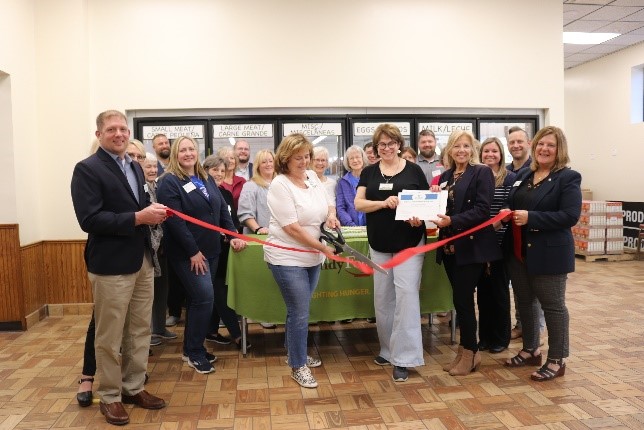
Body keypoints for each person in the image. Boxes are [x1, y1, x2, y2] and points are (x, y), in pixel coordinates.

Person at [71, 110, 167, 425]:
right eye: (111, 129)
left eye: (123, 129)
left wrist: (151, 212)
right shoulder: (87, 169)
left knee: (140, 329)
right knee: (109, 335)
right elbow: (90, 219)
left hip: (141, 260)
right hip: (111, 264)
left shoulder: (135, 168)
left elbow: (137, 207)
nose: (119, 134)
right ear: (99, 134)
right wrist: (139, 217)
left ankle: (133, 387)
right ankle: (110, 396)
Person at [157, 136, 245, 374]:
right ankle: (195, 352)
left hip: (212, 250)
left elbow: (220, 210)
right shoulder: (169, 182)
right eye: (183, 149)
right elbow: (175, 221)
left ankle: (191, 348)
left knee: (199, 301)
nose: (188, 153)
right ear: (176, 153)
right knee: (204, 297)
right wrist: (193, 252)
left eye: (191, 149)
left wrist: (232, 234)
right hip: (189, 254)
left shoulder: (204, 178)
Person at [502, 126, 581, 382]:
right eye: (540, 144)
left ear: (559, 150)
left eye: (551, 145)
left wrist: (532, 217)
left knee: (553, 307)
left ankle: (557, 359)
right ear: (533, 147)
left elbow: (570, 216)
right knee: (525, 302)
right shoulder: (526, 174)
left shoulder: (567, 178)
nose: (544, 149)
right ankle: (531, 349)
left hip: (549, 254)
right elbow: (513, 203)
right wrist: (505, 213)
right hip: (519, 252)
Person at [354, 124, 428, 383]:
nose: (386, 148)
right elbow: (358, 203)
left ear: (399, 144)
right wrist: (383, 203)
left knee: (406, 297)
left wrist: (420, 219)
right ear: (376, 148)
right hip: (379, 245)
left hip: (409, 244)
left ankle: (404, 359)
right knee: (383, 300)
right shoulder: (369, 172)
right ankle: (387, 350)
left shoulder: (415, 170)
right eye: (381, 145)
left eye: (391, 143)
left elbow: (425, 204)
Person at [264, 133, 338, 389]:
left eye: (307, 156)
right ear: (285, 159)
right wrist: (323, 248)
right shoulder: (279, 185)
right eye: (299, 158)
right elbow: (292, 228)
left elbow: (329, 203)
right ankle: (298, 365)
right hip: (287, 257)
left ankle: (294, 352)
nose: (305, 162)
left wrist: (331, 216)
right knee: (299, 311)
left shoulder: (313, 178)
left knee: (298, 310)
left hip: (312, 256)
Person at [431, 130, 500, 376]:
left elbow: (483, 211)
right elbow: (436, 208)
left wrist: (451, 220)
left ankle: (470, 352)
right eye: (457, 146)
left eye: (466, 146)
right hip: (450, 248)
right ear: (449, 150)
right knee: (460, 302)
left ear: (473, 150)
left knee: (464, 301)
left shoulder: (481, 172)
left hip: (472, 247)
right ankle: (466, 351)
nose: (461, 150)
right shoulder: (445, 176)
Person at [202, 155, 250, 347]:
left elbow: (233, 221)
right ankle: (237, 334)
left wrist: (233, 235)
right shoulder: (201, 192)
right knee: (218, 290)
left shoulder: (226, 194)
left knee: (218, 289)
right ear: (205, 170)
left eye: (222, 170)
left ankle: (211, 331)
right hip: (210, 249)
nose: (219, 174)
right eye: (215, 170)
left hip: (227, 249)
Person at [476, 138, 516, 354]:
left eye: (494, 151)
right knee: (482, 293)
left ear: (501, 154)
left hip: (499, 242)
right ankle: (485, 337)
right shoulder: (476, 176)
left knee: (499, 292)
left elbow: (508, 207)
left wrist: (491, 228)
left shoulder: (509, 178)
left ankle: (501, 337)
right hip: (479, 244)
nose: (490, 154)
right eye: (486, 151)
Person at [505, 126, 546, 340]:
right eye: (512, 142)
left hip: (535, 239)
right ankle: (523, 325)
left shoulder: (537, 169)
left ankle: (533, 329)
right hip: (514, 238)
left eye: (520, 141)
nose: (516, 145)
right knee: (521, 288)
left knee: (535, 290)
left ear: (529, 143)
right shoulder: (509, 170)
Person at [142, 152, 178, 346]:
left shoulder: (158, 185)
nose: (153, 170)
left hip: (163, 247)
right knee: (148, 292)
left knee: (162, 289)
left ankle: (160, 327)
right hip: (149, 248)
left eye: (155, 166)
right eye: (148, 166)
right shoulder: (141, 189)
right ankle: (150, 332)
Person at [238, 150, 276, 235]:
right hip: (259, 239)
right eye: (264, 162)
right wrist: (258, 229)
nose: (268, 164)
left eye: (271, 161)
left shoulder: (280, 184)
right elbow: (245, 214)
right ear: (258, 166)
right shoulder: (250, 186)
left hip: (280, 238)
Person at [336, 145, 368, 227]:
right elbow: (340, 208)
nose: (355, 160)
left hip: (371, 225)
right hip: (350, 227)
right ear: (348, 162)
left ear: (363, 159)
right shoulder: (342, 182)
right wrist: (350, 224)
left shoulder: (371, 178)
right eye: (351, 158)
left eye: (358, 157)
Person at [217, 146, 246, 211]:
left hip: (241, 219)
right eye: (226, 158)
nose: (229, 161)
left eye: (232, 158)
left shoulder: (242, 182)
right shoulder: (216, 182)